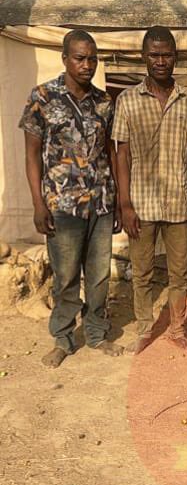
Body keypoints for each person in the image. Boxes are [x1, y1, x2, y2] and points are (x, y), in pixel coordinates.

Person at [19, 30, 123, 368]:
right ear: (65, 58)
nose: (87, 64)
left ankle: (95, 332)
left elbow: (110, 150)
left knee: (98, 275)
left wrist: (119, 200)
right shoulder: (43, 97)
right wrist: (38, 204)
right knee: (65, 276)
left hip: (101, 203)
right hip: (61, 206)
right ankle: (63, 338)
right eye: (80, 57)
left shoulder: (105, 102)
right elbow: (32, 155)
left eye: (92, 58)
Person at [113, 26, 187, 355]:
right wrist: (124, 203)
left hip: (179, 203)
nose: (160, 61)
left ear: (175, 57)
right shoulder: (127, 100)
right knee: (140, 272)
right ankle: (143, 329)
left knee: (179, 273)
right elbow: (121, 153)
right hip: (141, 203)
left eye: (167, 54)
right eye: (154, 54)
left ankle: (177, 329)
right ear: (144, 57)